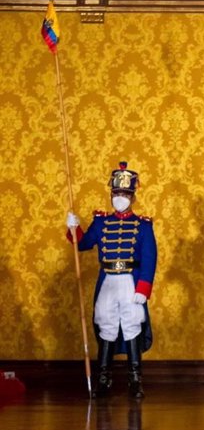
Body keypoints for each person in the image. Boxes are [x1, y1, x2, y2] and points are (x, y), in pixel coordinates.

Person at [66, 162, 157, 399]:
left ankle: (135, 380)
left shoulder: (143, 225)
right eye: (116, 193)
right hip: (108, 281)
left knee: (133, 326)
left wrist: (143, 287)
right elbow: (83, 244)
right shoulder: (101, 222)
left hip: (130, 281)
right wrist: (74, 228)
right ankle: (103, 379)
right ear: (111, 194)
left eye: (125, 194)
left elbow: (149, 258)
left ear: (132, 196)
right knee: (106, 325)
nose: (120, 197)